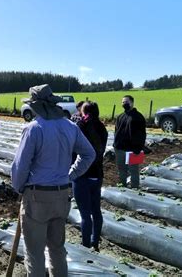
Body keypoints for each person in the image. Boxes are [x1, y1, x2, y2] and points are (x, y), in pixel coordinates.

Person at [11, 84, 96, 277]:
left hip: (37, 197)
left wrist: (19, 187)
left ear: (37, 105)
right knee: (57, 249)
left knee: (34, 253)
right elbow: (89, 154)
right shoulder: (70, 126)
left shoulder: (33, 129)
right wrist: (70, 175)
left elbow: (20, 167)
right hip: (62, 196)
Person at [73, 101, 108, 252]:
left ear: (84, 111)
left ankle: (85, 245)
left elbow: (73, 151)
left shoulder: (80, 127)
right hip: (97, 174)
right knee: (96, 210)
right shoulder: (102, 128)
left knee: (85, 213)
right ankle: (95, 242)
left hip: (82, 175)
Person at [114, 95, 146, 188]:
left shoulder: (138, 117)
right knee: (121, 169)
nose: (124, 104)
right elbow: (116, 131)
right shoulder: (120, 117)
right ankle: (122, 186)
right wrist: (115, 145)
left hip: (133, 150)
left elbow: (142, 134)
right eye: (123, 102)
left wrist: (138, 148)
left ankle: (135, 189)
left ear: (132, 103)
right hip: (119, 149)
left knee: (134, 171)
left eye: (126, 102)